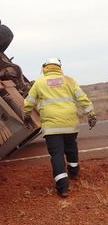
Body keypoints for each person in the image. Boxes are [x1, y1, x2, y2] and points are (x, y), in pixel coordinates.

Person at [23, 58, 96, 197]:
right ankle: (74, 172)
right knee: (71, 148)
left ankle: (63, 188)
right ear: (59, 67)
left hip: (51, 127)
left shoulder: (39, 83)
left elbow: (29, 102)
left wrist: (26, 115)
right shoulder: (69, 81)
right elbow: (83, 99)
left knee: (57, 155)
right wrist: (91, 115)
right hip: (70, 124)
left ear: (45, 67)